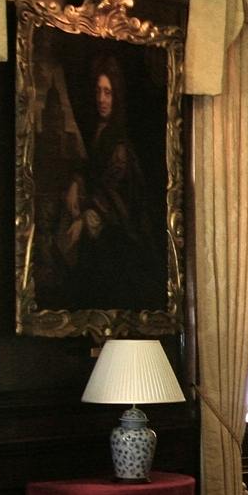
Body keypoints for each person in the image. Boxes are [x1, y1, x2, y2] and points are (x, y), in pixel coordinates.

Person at [50, 54, 162, 311]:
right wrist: (77, 182)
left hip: (118, 236)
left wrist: (86, 216)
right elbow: (91, 171)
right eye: (99, 91)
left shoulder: (120, 145)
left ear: (116, 97)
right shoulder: (98, 132)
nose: (102, 99)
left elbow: (113, 194)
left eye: (108, 93)